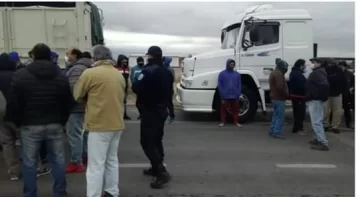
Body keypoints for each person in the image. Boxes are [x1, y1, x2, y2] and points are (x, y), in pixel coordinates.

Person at [6, 43, 73, 197]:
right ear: (50, 56)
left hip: (29, 124)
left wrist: (18, 122)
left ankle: (30, 194)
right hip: (55, 123)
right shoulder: (60, 75)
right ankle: (60, 192)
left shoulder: (21, 75)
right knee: (58, 160)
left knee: (29, 163)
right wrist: (62, 120)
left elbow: (14, 102)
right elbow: (67, 101)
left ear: (33, 56)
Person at [73, 45, 125, 197]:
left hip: (98, 124)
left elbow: (77, 95)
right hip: (116, 124)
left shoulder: (90, 73)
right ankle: (112, 191)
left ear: (95, 57)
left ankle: (94, 194)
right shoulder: (118, 74)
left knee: (96, 165)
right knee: (111, 160)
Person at [132, 46, 172, 189]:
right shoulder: (167, 71)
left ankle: (161, 172)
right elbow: (170, 92)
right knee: (156, 139)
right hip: (162, 110)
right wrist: (171, 111)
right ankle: (156, 167)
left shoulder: (148, 71)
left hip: (150, 110)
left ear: (151, 56)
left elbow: (136, 87)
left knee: (147, 142)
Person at [64, 47, 92, 173]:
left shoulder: (76, 69)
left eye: (68, 54)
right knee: (84, 134)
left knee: (75, 135)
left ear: (75, 55)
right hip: (86, 107)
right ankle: (85, 156)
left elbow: (74, 90)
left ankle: (76, 161)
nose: (66, 56)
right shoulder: (88, 67)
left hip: (76, 108)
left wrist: (68, 105)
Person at [0, 53, 21, 181]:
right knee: (25, 141)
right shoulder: (18, 76)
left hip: (2, 115)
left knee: (7, 143)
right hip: (18, 115)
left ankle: (14, 172)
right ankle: (34, 168)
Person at [306, 58, 330, 151]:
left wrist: (314, 95)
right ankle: (317, 139)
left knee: (316, 122)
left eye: (313, 62)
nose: (311, 64)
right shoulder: (320, 72)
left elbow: (324, 85)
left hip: (315, 100)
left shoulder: (317, 73)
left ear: (319, 63)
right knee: (316, 121)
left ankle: (323, 143)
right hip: (316, 99)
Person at [323, 59, 347, 133]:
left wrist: (341, 91)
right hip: (328, 94)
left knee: (336, 111)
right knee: (326, 111)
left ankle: (334, 126)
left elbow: (344, 82)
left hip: (336, 94)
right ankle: (327, 125)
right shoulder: (325, 70)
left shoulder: (339, 71)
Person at [217, 59, 242, 127]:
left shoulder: (237, 74)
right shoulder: (222, 74)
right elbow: (220, 85)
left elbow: (239, 85)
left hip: (235, 95)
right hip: (225, 96)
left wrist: (238, 94)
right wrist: (222, 95)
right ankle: (222, 122)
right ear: (227, 64)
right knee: (223, 110)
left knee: (236, 110)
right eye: (231, 64)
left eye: (233, 64)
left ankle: (236, 122)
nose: (232, 65)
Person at [269, 59, 289, 139]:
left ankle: (272, 130)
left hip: (274, 97)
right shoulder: (279, 74)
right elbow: (280, 87)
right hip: (279, 98)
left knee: (275, 115)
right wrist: (286, 95)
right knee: (280, 117)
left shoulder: (274, 72)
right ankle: (276, 132)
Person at [288, 59, 307, 135]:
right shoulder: (297, 73)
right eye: (304, 65)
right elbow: (300, 86)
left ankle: (299, 128)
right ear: (301, 65)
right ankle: (297, 129)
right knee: (299, 113)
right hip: (298, 96)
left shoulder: (296, 73)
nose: (305, 66)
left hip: (298, 96)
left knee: (299, 113)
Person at [339, 61, 354, 129]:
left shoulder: (350, 74)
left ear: (345, 66)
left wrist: (352, 88)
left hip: (347, 95)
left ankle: (348, 123)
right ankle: (332, 124)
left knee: (347, 109)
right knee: (335, 110)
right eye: (340, 66)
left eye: (342, 66)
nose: (341, 67)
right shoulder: (337, 73)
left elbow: (354, 83)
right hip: (337, 94)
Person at [116, 54, 131, 120]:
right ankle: (118, 115)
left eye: (125, 60)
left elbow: (128, 78)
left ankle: (124, 114)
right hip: (117, 87)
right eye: (123, 60)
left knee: (124, 101)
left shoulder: (127, 68)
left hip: (125, 87)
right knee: (118, 101)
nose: (125, 61)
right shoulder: (116, 68)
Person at [163, 56, 175, 123]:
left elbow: (172, 79)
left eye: (164, 60)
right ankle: (168, 115)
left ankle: (171, 115)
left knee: (169, 103)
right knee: (165, 103)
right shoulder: (165, 68)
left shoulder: (170, 69)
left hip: (169, 89)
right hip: (166, 89)